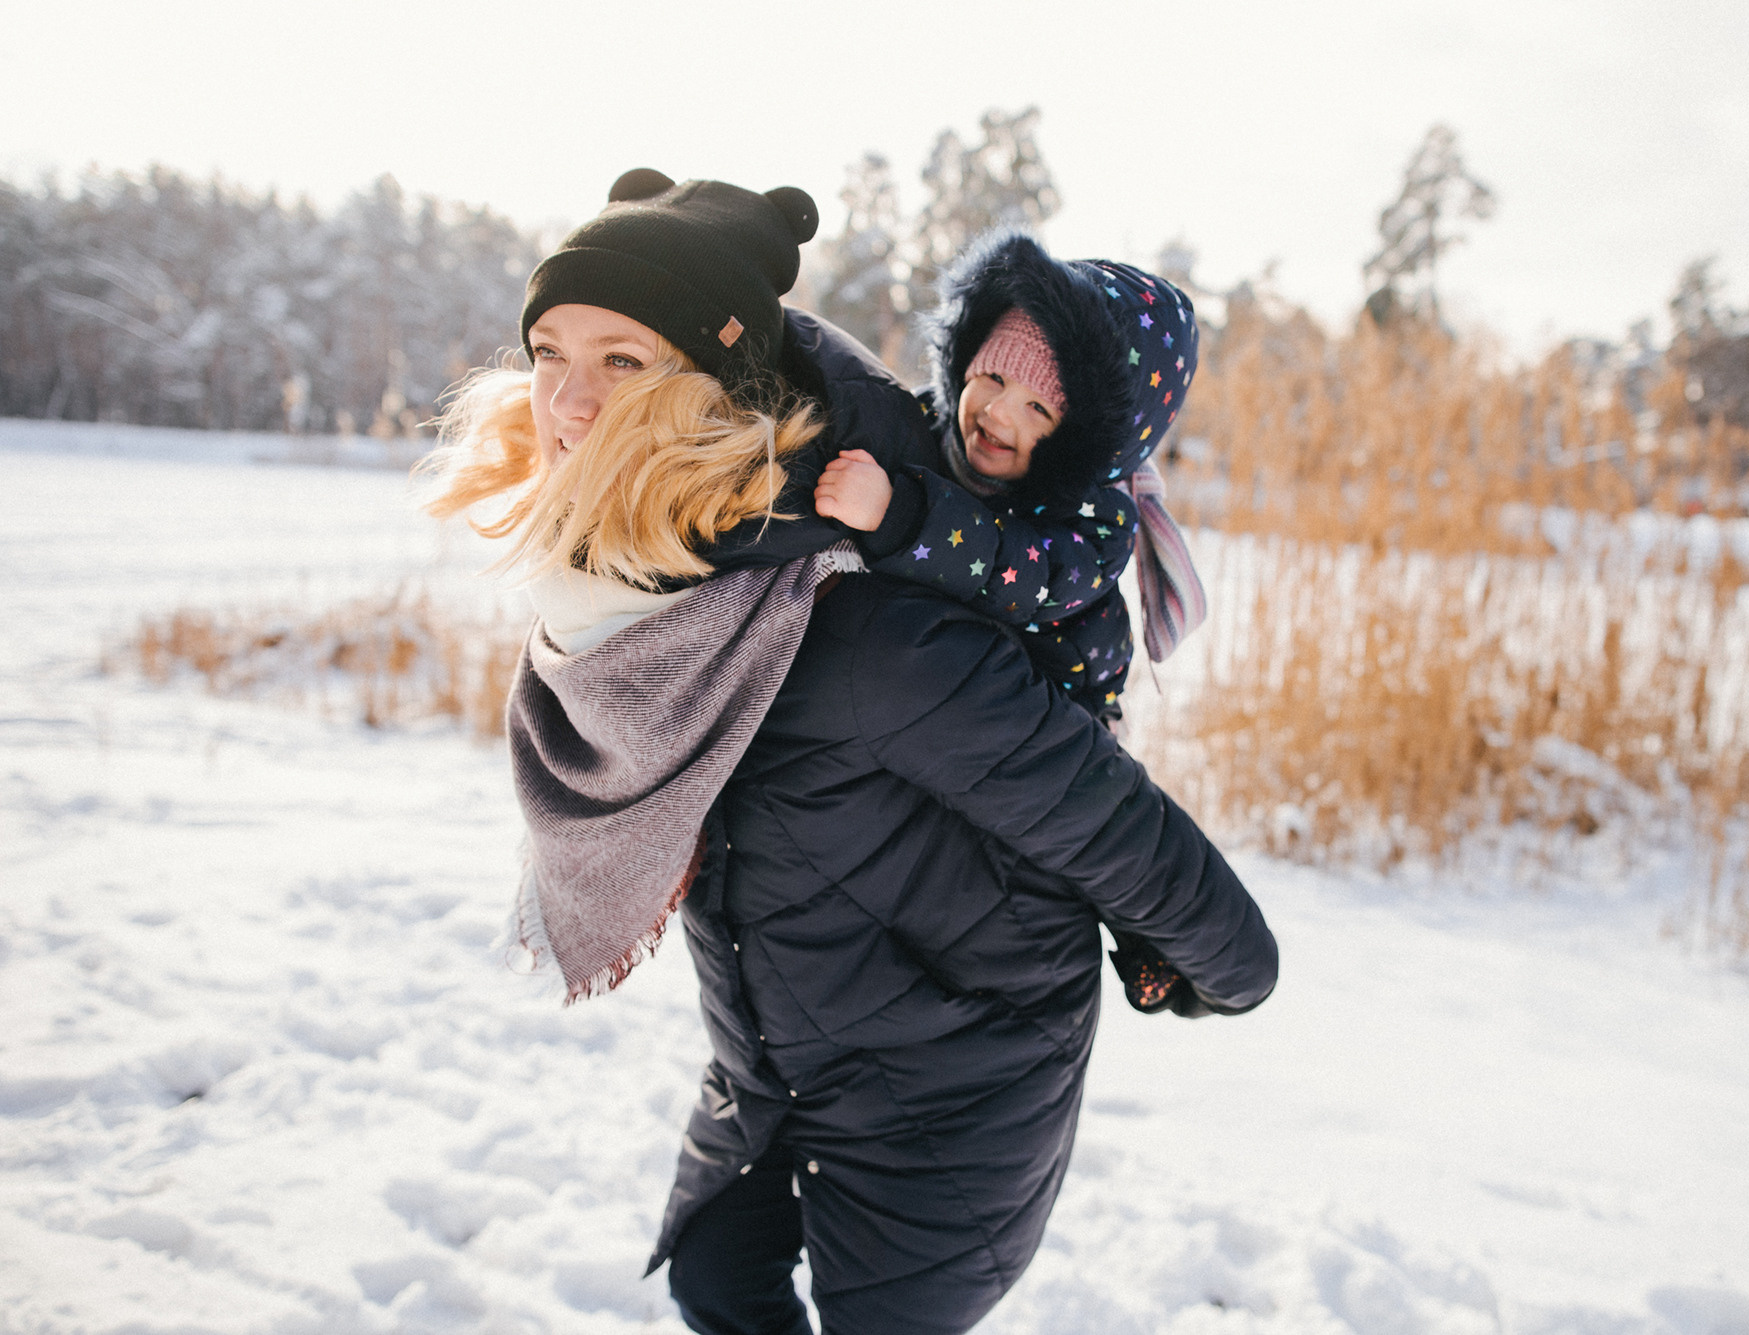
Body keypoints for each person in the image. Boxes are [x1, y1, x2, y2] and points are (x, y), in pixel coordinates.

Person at [425, 172, 1280, 1335]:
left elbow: (1100, 816)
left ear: (712, 397)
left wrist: (1220, 967)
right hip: (776, 1052)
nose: (566, 400)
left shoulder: (850, 622)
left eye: (623, 362)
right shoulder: (657, 589)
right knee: (715, 1284)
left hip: (948, 1075)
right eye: (548, 351)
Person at [813, 231, 1208, 726]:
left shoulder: (1098, 527)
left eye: (1038, 408)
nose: (997, 412)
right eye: (992, 377)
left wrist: (898, 514)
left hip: (1053, 708)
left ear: (1081, 441)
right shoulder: (932, 425)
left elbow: (1008, 568)